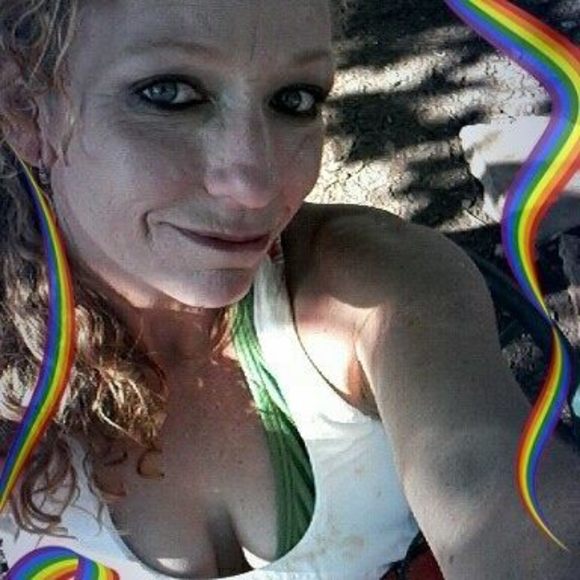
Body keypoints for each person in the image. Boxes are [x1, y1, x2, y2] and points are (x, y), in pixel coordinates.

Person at [0, 0, 579, 578]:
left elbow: (503, 506)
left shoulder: (372, 287)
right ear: (27, 110)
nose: (255, 184)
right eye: (169, 94)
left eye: (294, 100)